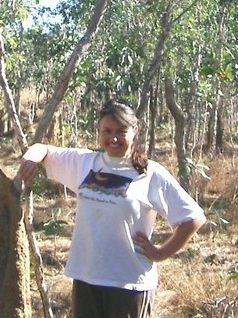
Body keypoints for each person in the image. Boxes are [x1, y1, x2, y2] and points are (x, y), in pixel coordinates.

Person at [17, 98, 206, 318]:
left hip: (129, 283)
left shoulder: (150, 174)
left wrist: (161, 253)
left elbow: (193, 218)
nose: (113, 138)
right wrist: (29, 159)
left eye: (120, 131)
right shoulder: (85, 163)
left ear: (134, 131)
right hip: (87, 277)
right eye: (106, 131)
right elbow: (43, 149)